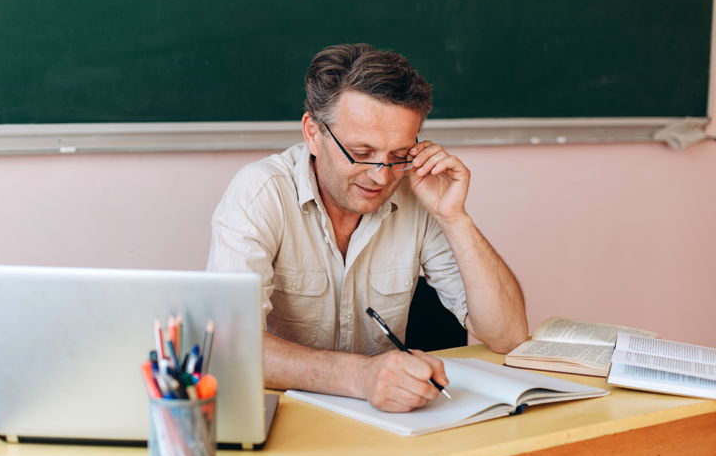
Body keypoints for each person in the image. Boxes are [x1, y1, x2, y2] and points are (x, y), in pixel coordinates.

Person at [208, 43, 527, 412]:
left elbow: (509, 335)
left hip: (387, 418)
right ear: (313, 133)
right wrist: (362, 376)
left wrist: (454, 217)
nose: (381, 176)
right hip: (284, 415)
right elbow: (232, 344)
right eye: (361, 154)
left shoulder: (417, 194)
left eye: (398, 156)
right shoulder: (259, 193)